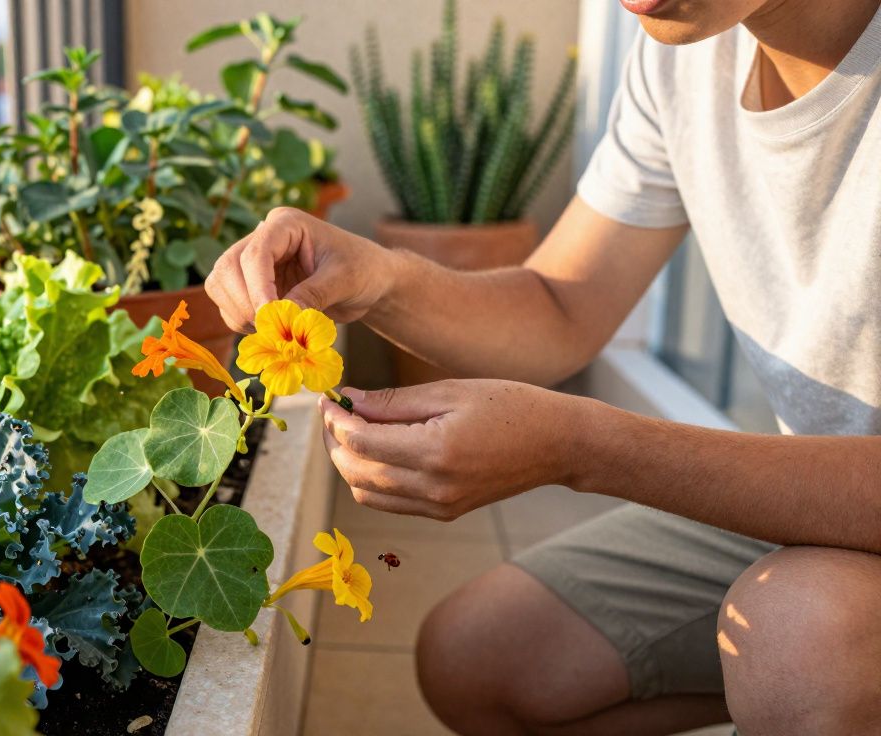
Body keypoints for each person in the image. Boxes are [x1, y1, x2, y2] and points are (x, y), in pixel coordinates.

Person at [205, 0, 881, 733]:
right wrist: (381, 282)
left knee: (797, 640)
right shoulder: (686, 53)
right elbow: (561, 304)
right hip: (819, 507)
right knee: (476, 660)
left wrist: (581, 447)